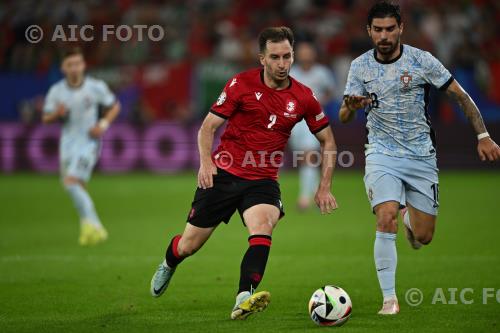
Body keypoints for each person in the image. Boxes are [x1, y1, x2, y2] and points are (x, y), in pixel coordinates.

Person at [150, 26, 338, 320]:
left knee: (263, 226)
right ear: (262, 58)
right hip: (223, 174)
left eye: (287, 56)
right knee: (188, 245)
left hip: (262, 180)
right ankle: (169, 262)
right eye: (275, 57)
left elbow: (328, 141)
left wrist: (324, 186)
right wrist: (205, 162)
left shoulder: (303, 96)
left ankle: (243, 296)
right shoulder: (240, 84)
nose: (282, 63)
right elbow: (208, 127)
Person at [339, 2, 500, 315]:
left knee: (423, 236)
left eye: (390, 29)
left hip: (420, 156)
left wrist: (483, 136)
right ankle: (390, 299)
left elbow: (461, 96)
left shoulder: (421, 60)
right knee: (384, 215)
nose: (384, 35)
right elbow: (345, 115)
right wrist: (351, 106)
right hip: (381, 152)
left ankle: (409, 218)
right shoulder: (359, 66)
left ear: (401, 29)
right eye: (378, 29)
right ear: (369, 31)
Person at [42, 48, 121, 246]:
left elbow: (114, 106)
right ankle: (87, 231)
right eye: (70, 65)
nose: (75, 68)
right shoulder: (57, 91)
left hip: (89, 143)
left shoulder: (95, 87)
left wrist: (102, 125)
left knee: (70, 182)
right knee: (80, 187)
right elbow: (45, 118)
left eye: (77, 64)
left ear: (84, 65)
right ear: (63, 68)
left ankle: (96, 226)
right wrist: (56, 114)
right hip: (67, 144)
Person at [289, 41, 336, 210]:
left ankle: (304, 198)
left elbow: (331, 91)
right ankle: (319, 194)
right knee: (303, 158)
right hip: (295, 122)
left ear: (313, 54)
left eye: (307, 52)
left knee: (308, 155)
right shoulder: (291, 73)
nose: (305, 56)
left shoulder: (322, 73)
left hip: (314, 120)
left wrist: (320, 103)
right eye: (302, 52)